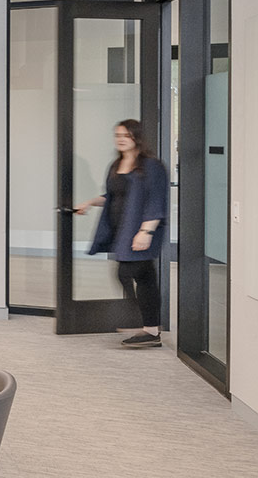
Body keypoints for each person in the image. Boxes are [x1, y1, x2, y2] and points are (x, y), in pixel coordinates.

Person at [74, 117, 170, 348]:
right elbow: (112, 196)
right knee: (144, 276)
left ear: (137, 137)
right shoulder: (116, 166)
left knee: (127, 272)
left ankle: (140, 322)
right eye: (118, 135)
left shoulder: (151, 166)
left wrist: (146, 231)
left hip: (139, 229)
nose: (121, 140)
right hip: (121, 230)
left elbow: (156, 201)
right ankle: (151, 329)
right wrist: (89, 203)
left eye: (126, 135)